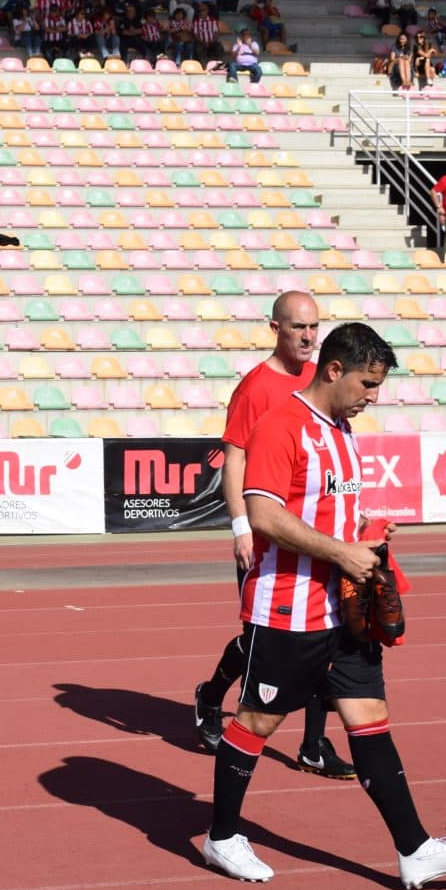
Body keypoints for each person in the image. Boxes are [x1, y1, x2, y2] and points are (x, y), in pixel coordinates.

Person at [202, 321, 446, 890]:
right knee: (256, 723)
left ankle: (414, 849)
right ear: (334, 370)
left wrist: (366, 536)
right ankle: (221, 836)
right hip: (286, 607)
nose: (372, 397)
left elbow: (326, 510)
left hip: (343, 608)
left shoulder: (340, 429)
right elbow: (262, 514)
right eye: (366, 383)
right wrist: (342, 551)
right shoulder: (282, 425)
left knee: (370, 721)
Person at [193, 290, 355, 777]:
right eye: (298, 328)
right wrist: (241, 525)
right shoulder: (256, 388)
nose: (308, 337)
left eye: (314, 327)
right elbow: (234, 459)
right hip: (268, 532)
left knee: (327, 638)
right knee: (263, 641)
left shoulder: (323, 377)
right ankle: (211, 693)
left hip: (315, 530)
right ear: (275, 329)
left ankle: (312, 745)